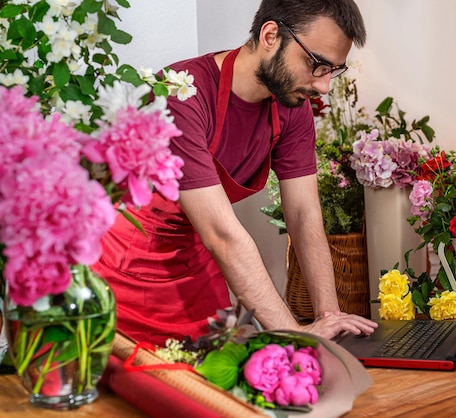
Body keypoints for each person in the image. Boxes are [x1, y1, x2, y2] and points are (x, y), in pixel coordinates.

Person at [93, 0, 378, 346]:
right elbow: (223, 235)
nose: (324, 87)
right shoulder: (179, 97)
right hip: (118, 271)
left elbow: (304, 213)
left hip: (193, 267)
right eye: (317, 65)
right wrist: (295, 334)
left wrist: (328, 318)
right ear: (271, 35)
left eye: (333, 70)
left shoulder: (291, 107)